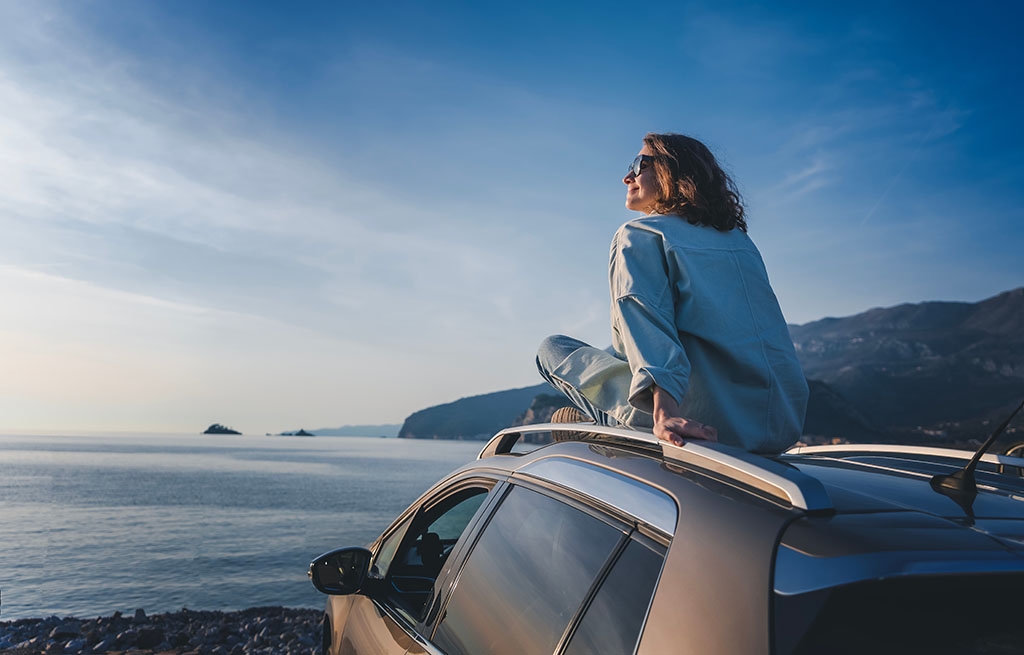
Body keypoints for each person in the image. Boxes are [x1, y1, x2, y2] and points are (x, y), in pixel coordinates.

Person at [536, 133, 808, 453]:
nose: (627, 176)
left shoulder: (639, 234)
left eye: (639, 165)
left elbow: (648, 321)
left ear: (671, 172)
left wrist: (665, 414)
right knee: (616, 346)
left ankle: (616, 434)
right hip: (777, 425)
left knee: (551, 349)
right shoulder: (741, 243)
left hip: (701, 424)